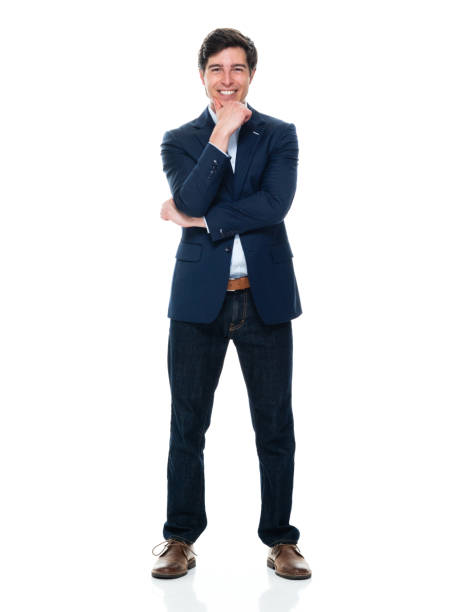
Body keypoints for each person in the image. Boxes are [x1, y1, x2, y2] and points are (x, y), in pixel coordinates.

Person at [151, 28, 311, 580]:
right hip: (198, 304)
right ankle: (179, 537)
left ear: (251, 75)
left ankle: (281, 540)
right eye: (216, 69)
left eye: (237, 69)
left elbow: (274, 205)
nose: (227, 80)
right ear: (202, 76)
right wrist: (219, 137)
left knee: (274, 425)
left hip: (263, 301)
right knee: (187, 425)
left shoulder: (280, 135)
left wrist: (197, 220)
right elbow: (192, 192)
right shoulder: (179, 140)